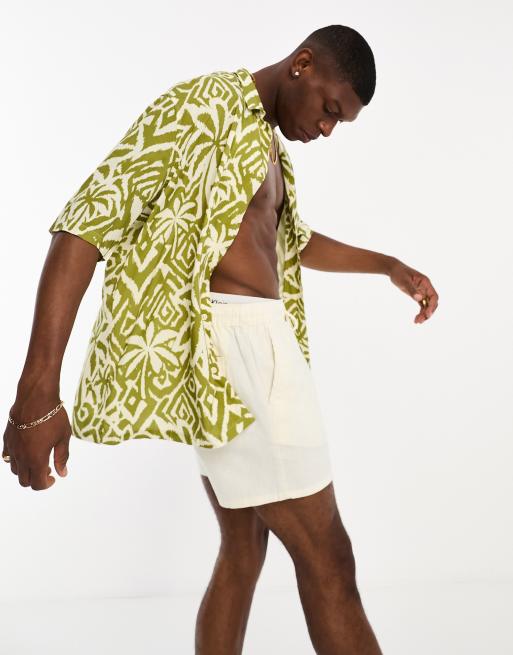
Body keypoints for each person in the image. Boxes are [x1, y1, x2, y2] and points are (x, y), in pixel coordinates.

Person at [3, 24, 438, 655]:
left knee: (243, 546)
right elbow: (87, 222)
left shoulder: (268, 144)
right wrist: (36, 391)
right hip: (240, 353)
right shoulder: (201, 106)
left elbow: (287, 240)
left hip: (243, 351)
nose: (326, 130)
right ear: (302, 64)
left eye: (339, 123)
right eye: (329, 109)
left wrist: (388, 266)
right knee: (330, 559)